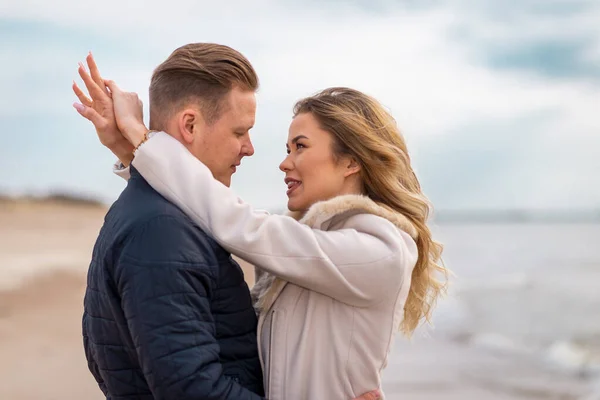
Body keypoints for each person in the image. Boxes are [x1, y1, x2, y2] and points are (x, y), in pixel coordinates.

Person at [74, 45, 381, 400]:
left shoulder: (155, 217)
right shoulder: (161, 231)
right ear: (189, 125)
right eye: (240, 132)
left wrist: (136, 151)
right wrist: (138, 146)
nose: (250, 148)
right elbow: (192, 391)